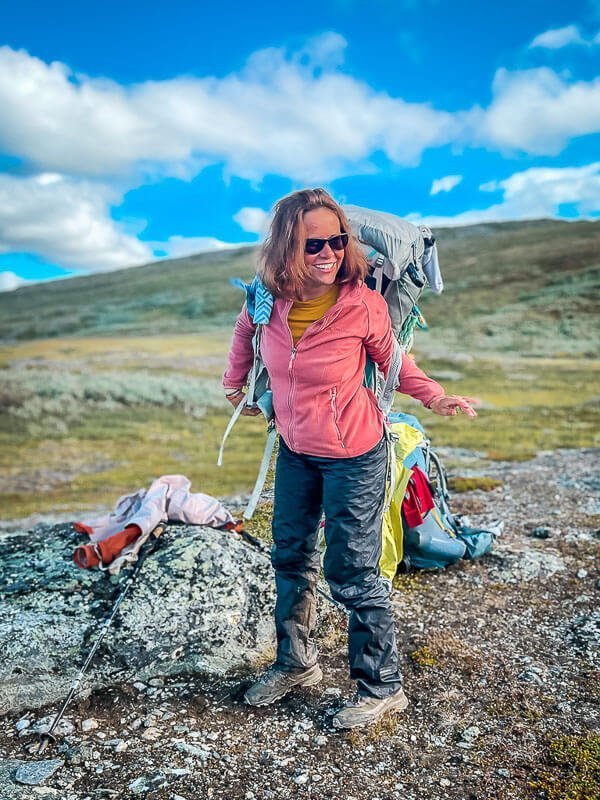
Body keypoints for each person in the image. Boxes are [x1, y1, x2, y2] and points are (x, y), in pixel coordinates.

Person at [222, 188, 477, 729]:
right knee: (289, 555)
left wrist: (434, 394)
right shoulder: (268, 298)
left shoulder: (363, 304)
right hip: (296, 450)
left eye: (337, 241)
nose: (329, 253)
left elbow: (394, 362)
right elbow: (245, 330)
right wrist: (236, 381)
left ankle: (382, 685)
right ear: (287, 246)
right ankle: (296, 662)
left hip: (355, 456)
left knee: (352, 571)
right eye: (315, 243)